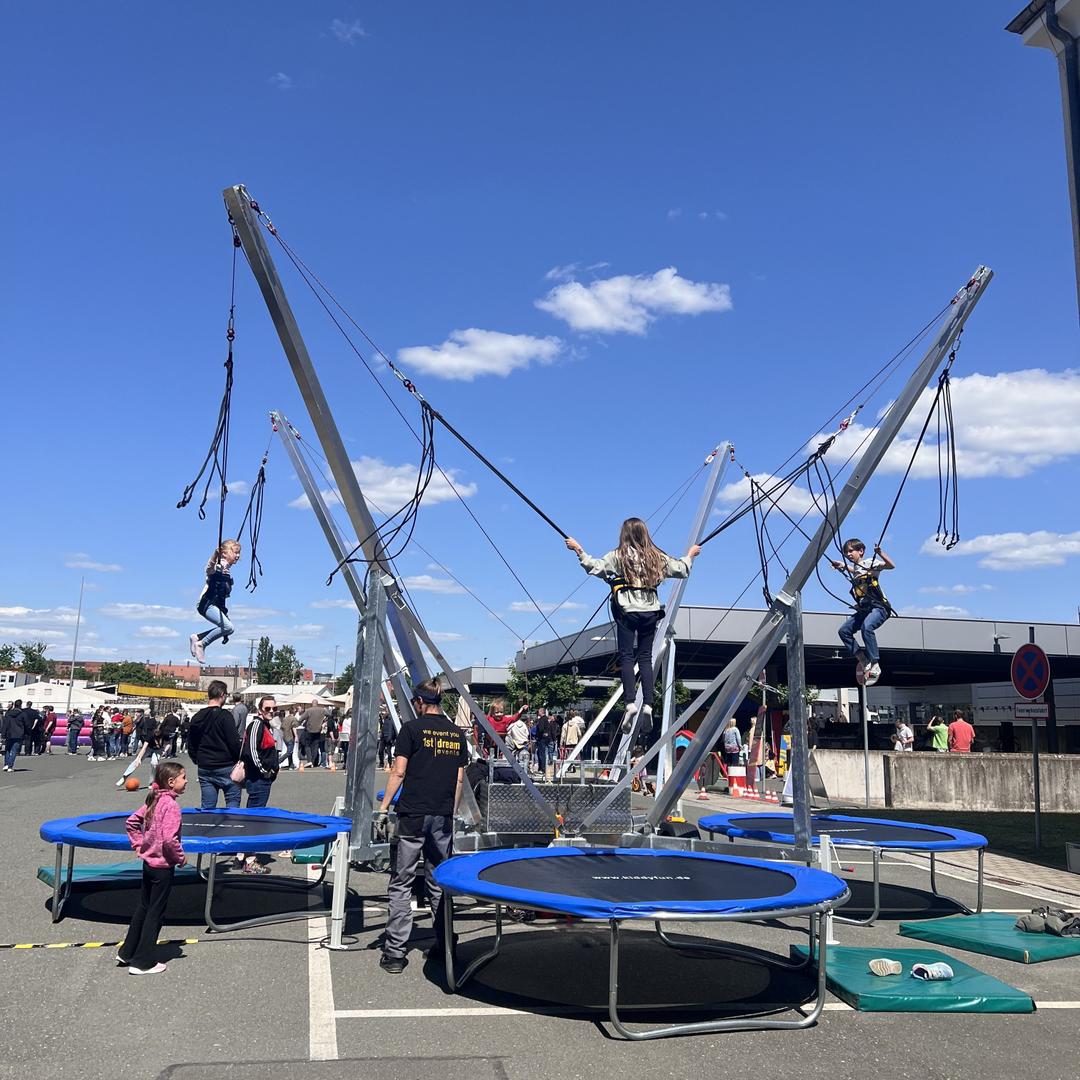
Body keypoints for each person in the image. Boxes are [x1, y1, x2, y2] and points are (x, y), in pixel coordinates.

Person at [566, 518, 700, 735]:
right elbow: (681, 569)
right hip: (650, 612)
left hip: (627, 611)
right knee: (645, 657)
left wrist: (577, 549)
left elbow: (595, 567)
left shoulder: (619, 556)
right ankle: (648, 703)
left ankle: (630, 702)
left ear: (624, 535)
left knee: (627, 656)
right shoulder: (655, 556)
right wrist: (691, 554)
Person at [378, 678, 468, 974]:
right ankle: (445, 945)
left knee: (402, 881)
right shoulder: (456, 734)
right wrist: (451, 813)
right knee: (439, 881)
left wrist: (383, 807)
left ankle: (394, 953)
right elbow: (458, 780)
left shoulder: (412, 729)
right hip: (442, 815)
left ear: (419, 702)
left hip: (413, 814)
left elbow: (398, 771)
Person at [118, 761, 187, 976]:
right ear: (171, 782)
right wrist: (180, 858)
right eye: (183, 778)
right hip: (162, 867)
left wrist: (140, 846)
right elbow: (169, 840)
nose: (186, 782)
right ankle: (142, 961)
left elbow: (131, 822)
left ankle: (128, 951)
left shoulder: (154, 800)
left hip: (149, 864)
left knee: (144, 907)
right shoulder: (171, 806)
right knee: (155, 913)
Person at [829, 538, 895, 686]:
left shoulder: (871, 563)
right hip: (864, 610)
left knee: (867, 627)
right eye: (846, 552)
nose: (848, 554)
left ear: (861, 551)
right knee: (844, 631)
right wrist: (842, 565)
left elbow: (891, 566)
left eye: (851, 551)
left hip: (879, 607)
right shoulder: (857, 569)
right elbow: (856, 570)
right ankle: (862, 658)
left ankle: (875, 662)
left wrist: (880, 553)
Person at [186, 680, 243, 808]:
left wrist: (197, 759)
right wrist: (238, 759)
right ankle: (231, 826)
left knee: (207, 806)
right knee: (232, 802)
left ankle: (207, 826)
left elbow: (191, 743)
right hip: (225, 765)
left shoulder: (197, 717)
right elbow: (233, 742)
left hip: (205, 766)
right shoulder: (225, 716)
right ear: (222, 694)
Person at [189, 539, 241, 665]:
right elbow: (208, 568)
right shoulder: (220, 565)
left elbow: (222, 597)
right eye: (235, 552)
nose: (238, 556)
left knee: (229, 628)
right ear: (224, 554)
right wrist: (215, 555)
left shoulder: (227, 569)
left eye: (239, 553)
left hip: (213, 604)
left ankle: (197, 638)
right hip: (206, 603)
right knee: (228, 627)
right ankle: (201, 644)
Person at [300, 700, 327, 768]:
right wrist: (323, 721)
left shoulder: (309, 710)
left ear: (312, 704)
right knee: (315, 746)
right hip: (318, 730)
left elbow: (301, 718)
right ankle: (313, 761)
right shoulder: (322, 710)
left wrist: (304, 722)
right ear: (317, 704)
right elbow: (329, 715)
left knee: (307, 745)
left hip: (309, 730)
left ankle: (309, 761)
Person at [2, 700, 27, 771]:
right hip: (18, 734)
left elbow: (5, 725)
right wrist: (26, 733)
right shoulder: (22, 714)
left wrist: (3, 734)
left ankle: (6, 764)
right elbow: (26, 724)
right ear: (21, 705)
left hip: (9, 733)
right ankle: (10, 766)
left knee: (8, 749)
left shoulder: (8, 713)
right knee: (14, 750)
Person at [505, 710, 531, 774]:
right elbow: (527, 733)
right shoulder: (523, 724)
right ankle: (525, 772)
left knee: (513, 760)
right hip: (524, 744)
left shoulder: (512, 724)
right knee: (524, 760)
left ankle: (514, 772)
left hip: (515, 744)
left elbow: (507, 732)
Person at [534, 710, 557, 778]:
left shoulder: (542, 720)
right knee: (543, 753)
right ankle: (542, 768)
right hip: (546, 738)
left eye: (538, 712)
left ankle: (542, 769)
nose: (537, 713)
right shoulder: (546, 719)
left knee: (541, 754)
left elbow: (541, 729)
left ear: (542, 712)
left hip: (542, 739)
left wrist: (538, 733)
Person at [377, 703, 396, 769]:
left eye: (387, 711)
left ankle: (390, 764)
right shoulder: (384, 719)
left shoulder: (392, 719)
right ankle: (381, 763)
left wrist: (392, 738)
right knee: (380, 751)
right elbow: (383, 728)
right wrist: (381, 735)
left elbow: (392, 729)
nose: (385, 712)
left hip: (389, 737)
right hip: (383, 737)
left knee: (389, 752)